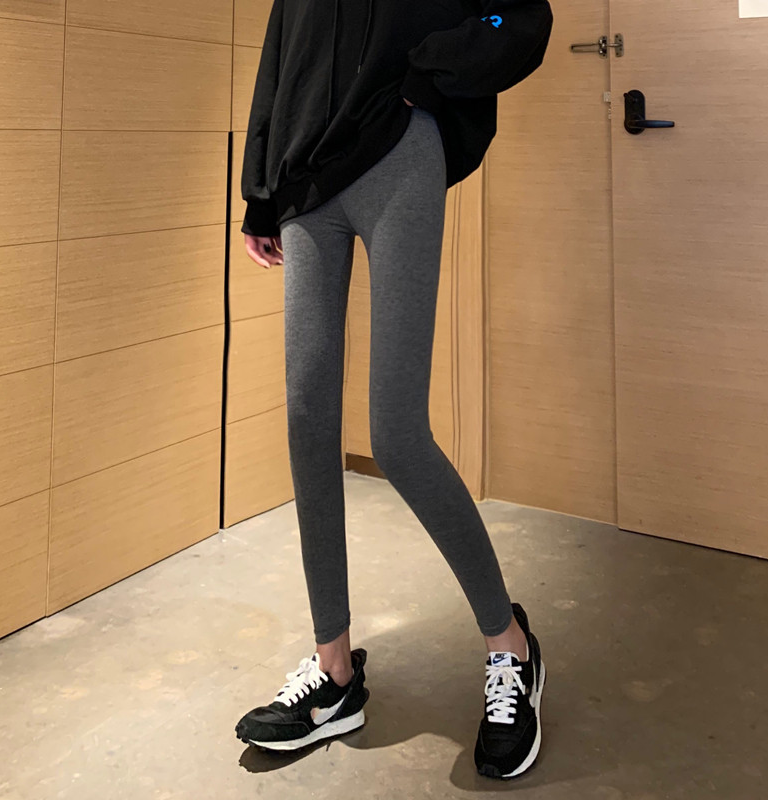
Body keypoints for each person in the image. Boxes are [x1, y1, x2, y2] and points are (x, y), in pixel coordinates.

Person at [234, 0, 554, 781]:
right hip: (306, 175)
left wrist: (424, 76)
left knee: (397, 434)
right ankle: (334, 670)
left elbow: (517, 16)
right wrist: (259, 191)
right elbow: (281, 53)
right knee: (308, 418)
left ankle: (510, 643)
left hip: (396, 149)